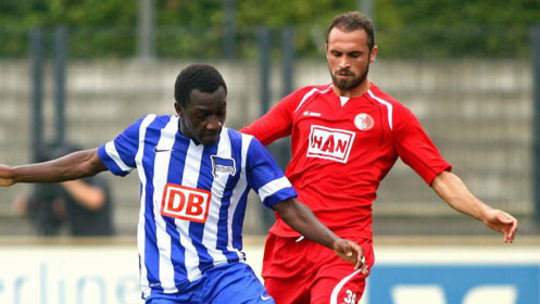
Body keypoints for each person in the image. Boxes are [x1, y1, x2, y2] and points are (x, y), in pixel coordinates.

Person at [0, 63, 366, 303]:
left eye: (220, 112)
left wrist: (332, 241)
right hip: (165, 290)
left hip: (225, 277)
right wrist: (17, 173)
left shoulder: (244, 149)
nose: (213, 123)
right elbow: (87, 162)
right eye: (201, 115)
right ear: (179, 109)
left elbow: (288, 206)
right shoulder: (147, 134)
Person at [240, 11, 519, 304]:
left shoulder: (391, 116)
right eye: (336, 54)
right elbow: (243, 142)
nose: (344, 64)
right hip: (288, 244)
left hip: (344, 248)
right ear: (326, 51)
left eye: (354, 55)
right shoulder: (302, 101)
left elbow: (439, 176)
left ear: (372, 54)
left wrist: (484, 212)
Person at [13, 142, 114, 237]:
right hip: (77, 240)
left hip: (100, 240)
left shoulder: (93, 177)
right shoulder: (63, 189)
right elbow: (23, 206)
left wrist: (65, 177)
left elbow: (96, 200)